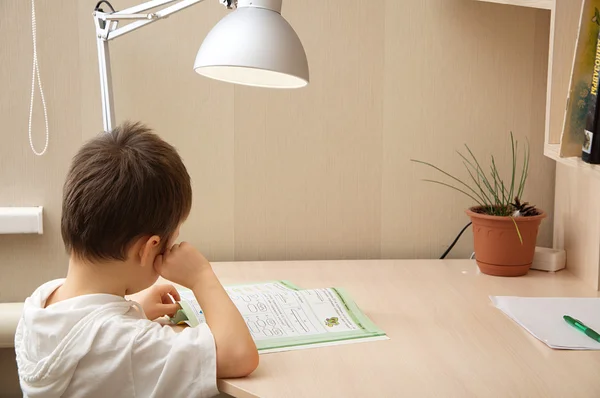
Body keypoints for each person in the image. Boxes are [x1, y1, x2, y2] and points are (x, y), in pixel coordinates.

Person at [14, 122, 259, 398]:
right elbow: (238, 354)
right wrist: (202, 277)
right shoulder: (129, 345)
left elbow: (89, 330)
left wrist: (132, 308)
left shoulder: (40, 303)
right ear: (149, 248)